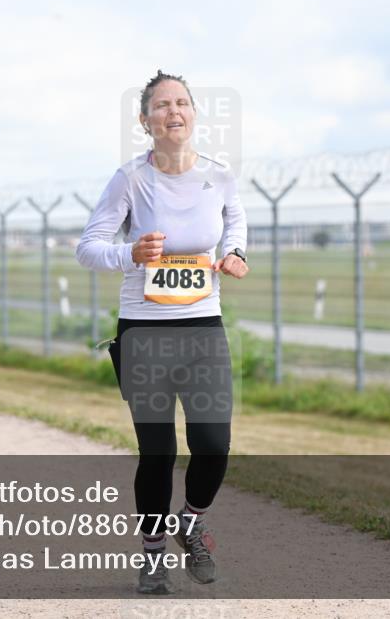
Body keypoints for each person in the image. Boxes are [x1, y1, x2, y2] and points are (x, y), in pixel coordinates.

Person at [76, 70, 248, 594]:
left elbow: (235, 219)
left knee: (214, 445)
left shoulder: (218, 176)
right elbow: (89, 247)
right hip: (144, 332)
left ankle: (190, 522)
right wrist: (131, 253)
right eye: (162, 105)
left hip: (203, 328)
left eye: (182, 103)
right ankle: (152, 558)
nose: (174, 112)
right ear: (145, 120)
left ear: (194, 113)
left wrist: (235, 252)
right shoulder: (130, 179)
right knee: (158, 452)